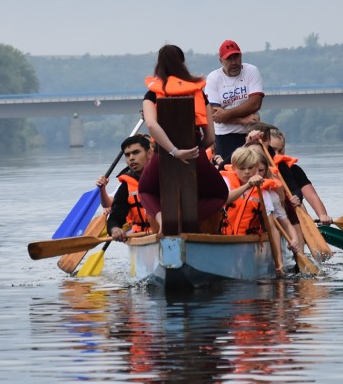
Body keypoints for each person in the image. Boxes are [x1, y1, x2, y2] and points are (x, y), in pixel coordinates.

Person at [137, 44, 230, 234]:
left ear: (159, 65)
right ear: (182, 63)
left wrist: (174, 151)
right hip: (194, 154)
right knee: (220, 193)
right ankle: (188, 218)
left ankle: (163, 218)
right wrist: (196, 149)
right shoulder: (198, 92)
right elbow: (210, 136)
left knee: (145, 191)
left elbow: (152, 125)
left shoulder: (152, 92)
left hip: (162, 155)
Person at [219, 145, 302, 273]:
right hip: (225, 240)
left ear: (257, 169)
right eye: (242, 168)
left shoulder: (264, 194)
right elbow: (224, 199)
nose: (246, 172)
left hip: (249, 242)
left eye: (250, 168)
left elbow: (272, 228)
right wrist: (248, 185)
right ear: (234, 168)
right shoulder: (225, 182)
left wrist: (279, 264)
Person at [204, 39, 265, 166]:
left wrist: (226, 114)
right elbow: (215, 115)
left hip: (251, 132)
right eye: (229, 59)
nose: (234, 62)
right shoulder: (214, 78)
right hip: (225, 136)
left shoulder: (251, 71)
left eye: (236, 57)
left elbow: (255, 103)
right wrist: (242, 120)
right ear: (221, 61)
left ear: (241, 56)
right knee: (229, 170)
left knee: (256, 167)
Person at [266, 127, 333, 224]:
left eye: (280, 151)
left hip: (293, 213)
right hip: (271, 214)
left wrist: (323, 216)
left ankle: (308, 232)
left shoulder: (294, 170)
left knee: (300, 204)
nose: (277, 154)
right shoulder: (259, 170)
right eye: (273, 150)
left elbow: (312, 197)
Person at [95, 134, 154, 242]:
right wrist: (115, 229)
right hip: (140, 237)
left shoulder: (166, 178)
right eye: (127, 155)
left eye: (136, 152)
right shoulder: (126, 186)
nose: (131, 158)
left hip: (167, 234)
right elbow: (114, 219)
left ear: (149, 153)